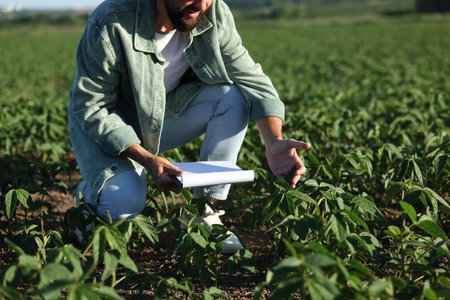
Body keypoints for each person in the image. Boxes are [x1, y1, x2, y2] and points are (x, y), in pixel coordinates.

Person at [68, 0, 310, 254]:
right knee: (122, 207)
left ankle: (202, 211)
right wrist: (147, 159)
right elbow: (93, 107)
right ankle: (90, 193)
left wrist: (274, 141)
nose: (202, 4)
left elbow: (251, 78)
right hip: (104, 128)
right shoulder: (112, 20)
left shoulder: (213, 12)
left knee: (233, 97)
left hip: (158, 119)